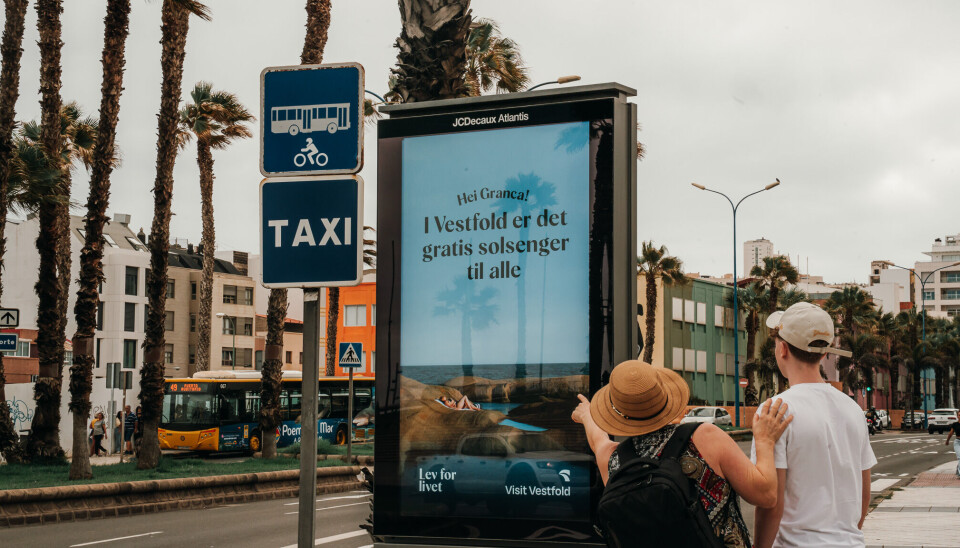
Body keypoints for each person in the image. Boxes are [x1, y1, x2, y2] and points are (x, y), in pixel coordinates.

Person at [572, 359, 792, 547]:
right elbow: (765, 495)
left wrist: (586, 416)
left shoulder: (614, 460)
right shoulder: (705, 436)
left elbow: (598, 440)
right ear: (665, 398)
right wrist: (764, 440)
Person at [752, 302, 876, 548]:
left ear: (783, 350)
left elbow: (771, 502)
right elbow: (863, 494)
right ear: (824, 353)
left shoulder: (775, 410)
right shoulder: (852, 409)